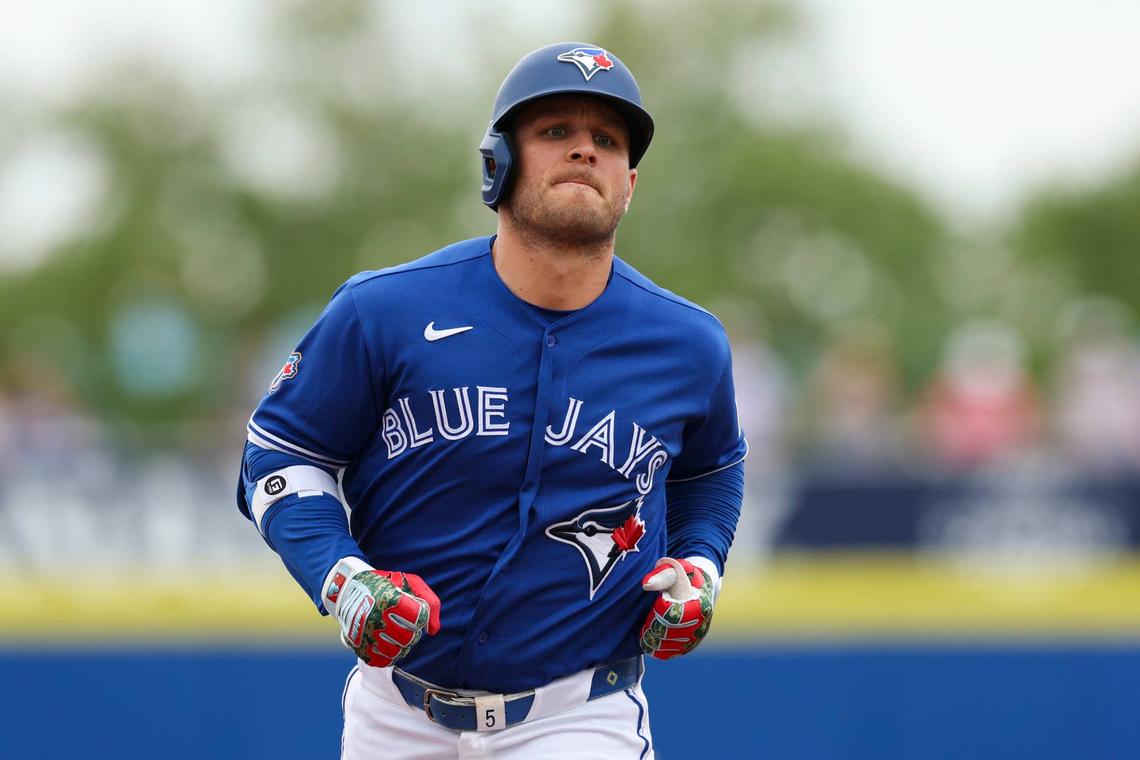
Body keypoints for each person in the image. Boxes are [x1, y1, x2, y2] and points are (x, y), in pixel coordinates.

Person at [237, 41, 747, 759]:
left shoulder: (688, 344)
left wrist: (701, 565)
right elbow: (280, 455)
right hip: (396, 712)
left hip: (580, 714)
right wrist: (340, 575)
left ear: (629, 183)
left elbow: (712, 469)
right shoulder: (382, 310)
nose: (583, 152)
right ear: (497, 163)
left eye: (606, 140)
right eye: (555, 132)